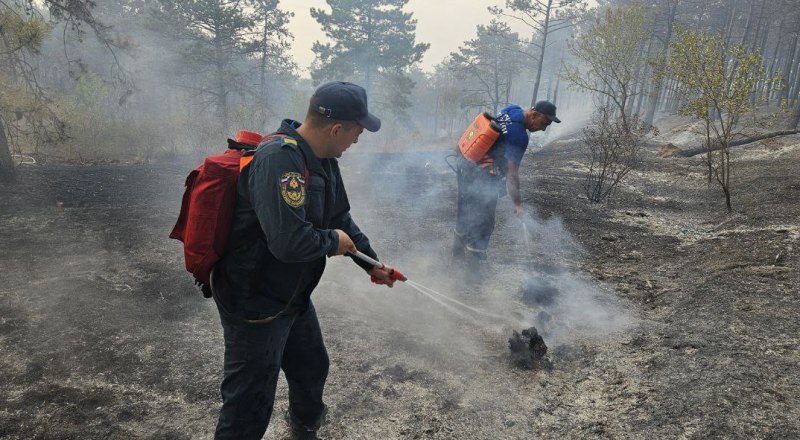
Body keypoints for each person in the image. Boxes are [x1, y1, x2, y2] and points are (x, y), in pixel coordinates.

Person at [211, 81, 400, 440]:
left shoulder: (325, 161)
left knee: (312, 366)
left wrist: (371, 264)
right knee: (249, 404)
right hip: (255, 301)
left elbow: (340, 217)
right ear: (336, 128)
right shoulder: (279, 159)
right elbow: (289, 243)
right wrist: (335, 243)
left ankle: (304, 426)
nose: (356, 141)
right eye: (357, 132)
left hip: (291, 294)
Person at [453, 100, 561, 263]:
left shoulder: (512, 109)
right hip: (482, 175)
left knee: (465, 209)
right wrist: (518, 205)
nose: (544, 128)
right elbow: (512, 175)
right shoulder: (519, 137)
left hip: (464, 163)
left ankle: (456, 254)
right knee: (485, 221)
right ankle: (474, 268)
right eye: (544, 123)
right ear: (534, 114)